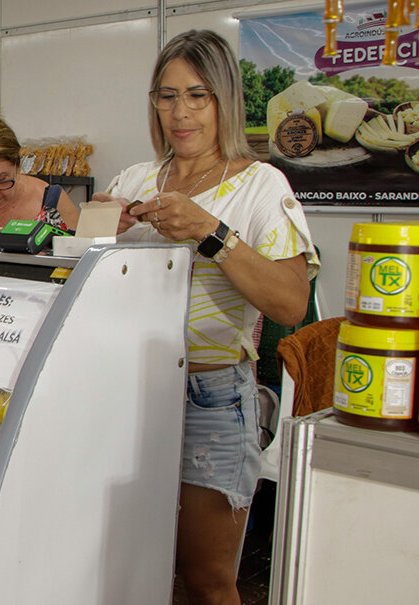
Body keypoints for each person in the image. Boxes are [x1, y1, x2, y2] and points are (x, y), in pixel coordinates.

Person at [92, 30, 319, 605]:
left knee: (207, 580)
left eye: (198, 95)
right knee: (127, 562)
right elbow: (84, 281)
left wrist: (211, 233)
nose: (180, 112)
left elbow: (290, 303)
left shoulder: (264, 186)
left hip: (210, 396)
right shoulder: (133, 180)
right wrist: (93, 231)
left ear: (225, 100)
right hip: (125, 390)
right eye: (167, 96)